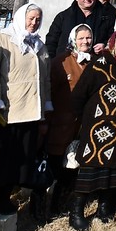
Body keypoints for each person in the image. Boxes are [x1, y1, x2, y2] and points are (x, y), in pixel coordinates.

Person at [0, 2, 52, 215]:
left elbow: (45, 78)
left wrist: (45, 107)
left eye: (38, 19)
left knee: (16, 161)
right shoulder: (0, 40)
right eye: (31, 18)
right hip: (7, 113)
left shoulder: (39, 45)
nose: (34, 22)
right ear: (20, 18)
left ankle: (2, 199)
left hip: (30, 113)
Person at [67, 26, 116, 231]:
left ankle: (104, 209)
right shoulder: (101, 63)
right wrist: (83, 121)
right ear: (113, 45)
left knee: (112, 170)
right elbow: (80, 94)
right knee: (90, 170)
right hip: (96, 129)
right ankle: (76, 213)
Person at [44, 23, 94, 215]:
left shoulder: (93, 62)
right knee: (55, 167)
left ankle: (61, 205)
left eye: (88, 38)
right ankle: (44, 207)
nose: (85, 41)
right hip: (59, 124)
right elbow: (50, 92)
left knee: (71, 168)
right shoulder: (61, 62)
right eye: (81, 38)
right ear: (73, 40)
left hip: (80, 127)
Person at [45, 0, 116, 59]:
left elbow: (111, 37)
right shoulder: (63, 17)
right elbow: (51, 41)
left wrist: (104, 45)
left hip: (93, 62)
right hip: (66, 61)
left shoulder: (105, 17)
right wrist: (51, 61)